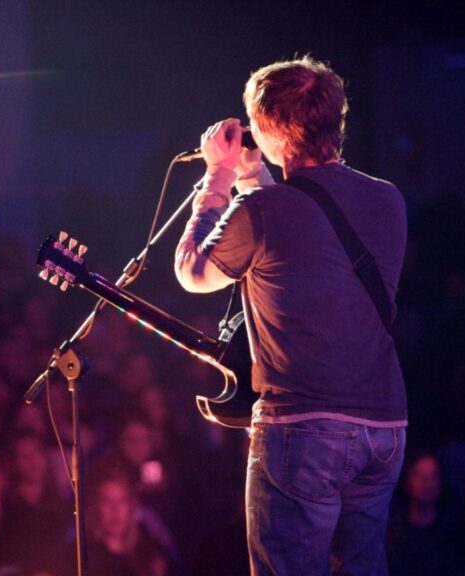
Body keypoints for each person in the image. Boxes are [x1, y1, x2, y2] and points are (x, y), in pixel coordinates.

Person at [173, 56, 408, 575]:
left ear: (274, 132)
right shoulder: (388, 200)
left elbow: (193, 271)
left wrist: (218, 176)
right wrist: (252, 174)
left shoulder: (264, 211)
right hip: (384, 427)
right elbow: (297, 238)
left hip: (303, 428)